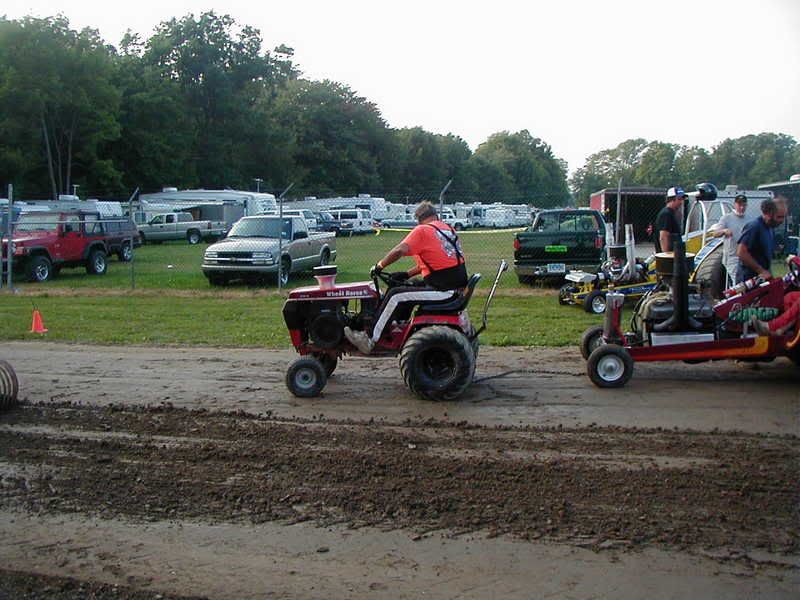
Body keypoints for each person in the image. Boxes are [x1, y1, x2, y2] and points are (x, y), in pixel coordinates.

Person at [344, 200, 468, 354]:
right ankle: (395, 326)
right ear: (435, 215)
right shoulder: (447, 229)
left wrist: (379, 266)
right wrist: (406, 274)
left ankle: (369, 339)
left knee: (395, 295)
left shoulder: (423, 230)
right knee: (406, 286)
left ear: (419, 219)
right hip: (453, 285)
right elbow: (437, 262)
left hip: (443, 289)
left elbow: (399, 250)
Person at [736, 197, 787, 283]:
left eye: (783, 217)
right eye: (779, 217)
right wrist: (761, 271)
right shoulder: (754, 227)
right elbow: (741, 252)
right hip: (749, 279)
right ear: (768, 214)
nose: (782, 220)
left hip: (763, 279)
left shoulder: (770, 228)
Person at [710, 193, 748, 286]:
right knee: (738, 282)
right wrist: (724, 231)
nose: (742, 207)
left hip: (746, 257)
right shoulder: (726, 218)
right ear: (735, 205)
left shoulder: (749, 219)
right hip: (732, 256)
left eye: (744, 205)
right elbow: (715, 234)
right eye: (740, 205)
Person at [654, 186, 687, 253]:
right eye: (679, 199)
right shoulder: (666, 214)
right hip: (669, 257)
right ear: (672, 199)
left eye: (682, 199)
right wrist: (666, 256)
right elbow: (663, 237)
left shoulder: (671, 213)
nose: (681, 202)